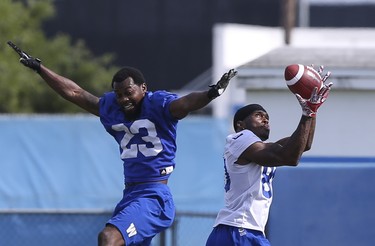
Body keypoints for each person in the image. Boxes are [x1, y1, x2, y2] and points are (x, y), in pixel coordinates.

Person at [7, 41, 237, 246]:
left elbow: (185, 103)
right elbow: (75, 93)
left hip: (154, 196)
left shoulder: (158, 104)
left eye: (128, 92)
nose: (123, 99)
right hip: (130, 194)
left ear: (143, 88)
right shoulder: (112, 108)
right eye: (118, 95)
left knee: (108, 238)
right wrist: (40, 69)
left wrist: (212, 93)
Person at [206, 66, 333, 246]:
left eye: (267, 117)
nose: (266, 120)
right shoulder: (240, 138)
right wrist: (306, 114)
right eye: (259, 116)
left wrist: (313, 111)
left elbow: (304, 145)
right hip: (239, 230)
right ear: (241, 125)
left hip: (240, 231)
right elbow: (290, 158)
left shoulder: (261, 148)